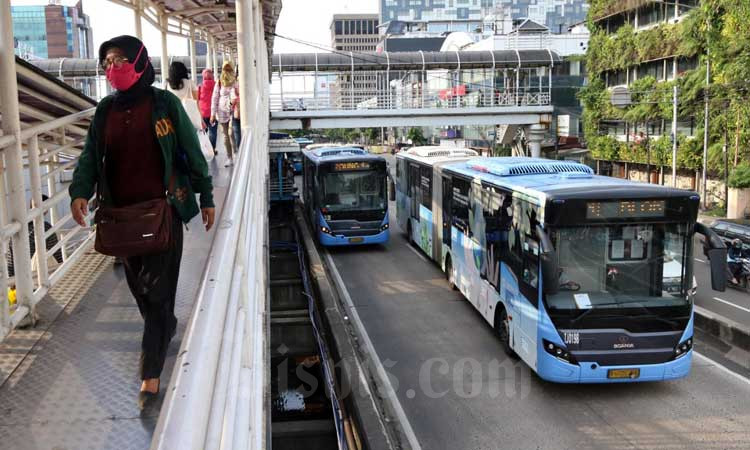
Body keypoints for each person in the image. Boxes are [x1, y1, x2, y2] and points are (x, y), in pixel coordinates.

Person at [68, 35, 215, 409]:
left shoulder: (164, 105)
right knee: (143, 293)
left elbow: (192, 151)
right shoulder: (104, 112)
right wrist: (79, 192)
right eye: (106, 63)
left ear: (138, 62)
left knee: (159, 291)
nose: (111, 69)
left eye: (118, 60)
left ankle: (150, 375)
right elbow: (89, 156)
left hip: (164, 212)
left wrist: (207, 196)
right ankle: (164, 328)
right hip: (121, 220)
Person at [211, 60, 239, 166]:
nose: (227, 71)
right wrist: (213, 114)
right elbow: (215, 98)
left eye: (229, 69)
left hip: (233, 110)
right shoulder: (219, 82)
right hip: (221, 112)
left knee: (231, 133)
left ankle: (235, 152)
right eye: (225, 69)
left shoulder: (236, 81)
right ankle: (229, 157)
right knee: (226, 135)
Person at [197, 68, 217, 155]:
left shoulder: (200, 87)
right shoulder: (216, 85)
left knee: (203, 133)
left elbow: (197, 100)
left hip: (203, 113)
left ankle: (205, 150)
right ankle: (212, 150)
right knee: (213, 132)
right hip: (213, 113)